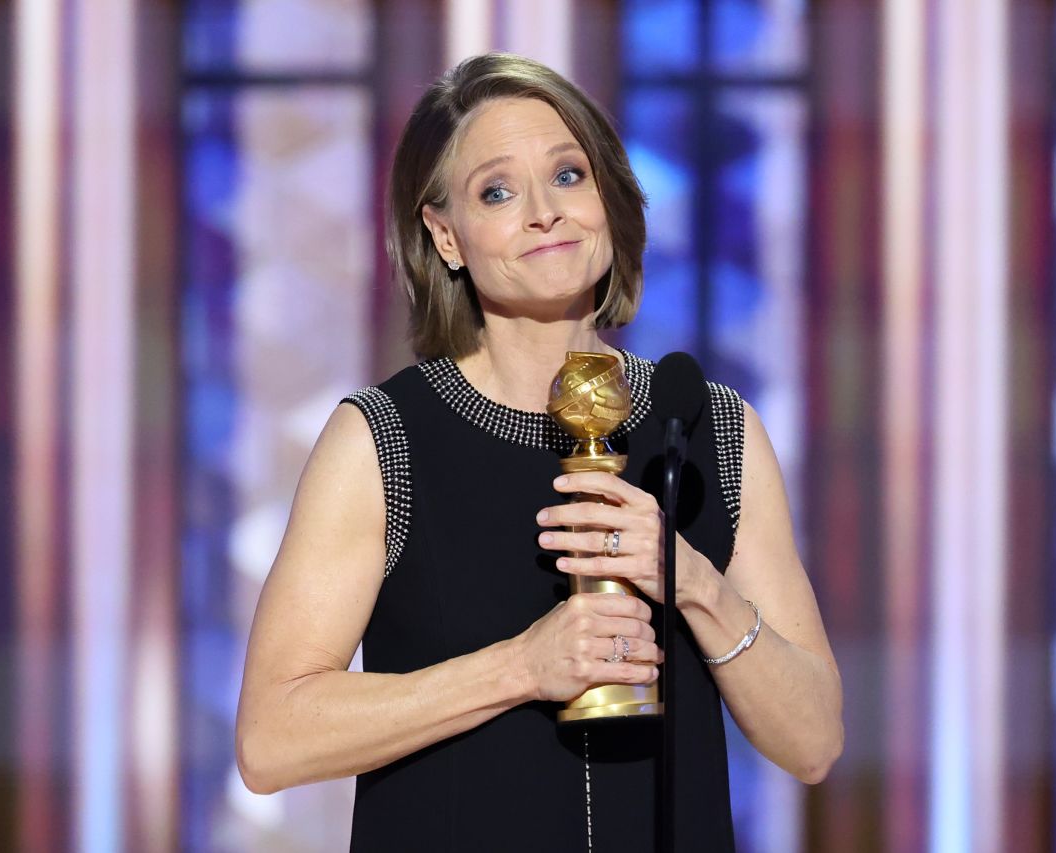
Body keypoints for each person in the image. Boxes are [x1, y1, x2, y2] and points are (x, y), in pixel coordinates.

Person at [235, 52, 842, 852]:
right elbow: (270, 740)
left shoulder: (711, 427)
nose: (544, 212)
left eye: (567, 175)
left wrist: (692, 579)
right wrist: (521, 667)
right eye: (497, 191)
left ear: (608, 200)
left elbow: (815, 741)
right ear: (445, 237)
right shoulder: (384, 440)